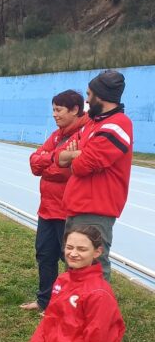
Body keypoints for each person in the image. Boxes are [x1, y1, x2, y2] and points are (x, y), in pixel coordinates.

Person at [58, 71, 133, 280]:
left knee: (93, 267)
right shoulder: (93, 123)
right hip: (77, 205)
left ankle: (96, 303)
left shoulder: (118, 124)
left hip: (96, 209)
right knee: (73, 263)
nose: (86, 100)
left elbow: (83, 166)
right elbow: (60, 156)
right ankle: (73, 300)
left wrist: (75, 157)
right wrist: (75, 154)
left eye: (89, 94)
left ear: (100, 96)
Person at [21, 90, 86, 312]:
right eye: (53, 110)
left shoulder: (84, 135)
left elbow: (67, 172)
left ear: (75, 110)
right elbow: (34, 163)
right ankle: (45, 301)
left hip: (68, 211)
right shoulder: (57, 135)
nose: (54, 115)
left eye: (59, 110)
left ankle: (70, 306)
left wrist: (49, 164)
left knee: (71, 260)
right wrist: (55, 158)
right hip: (47, 209)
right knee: (44, 255)